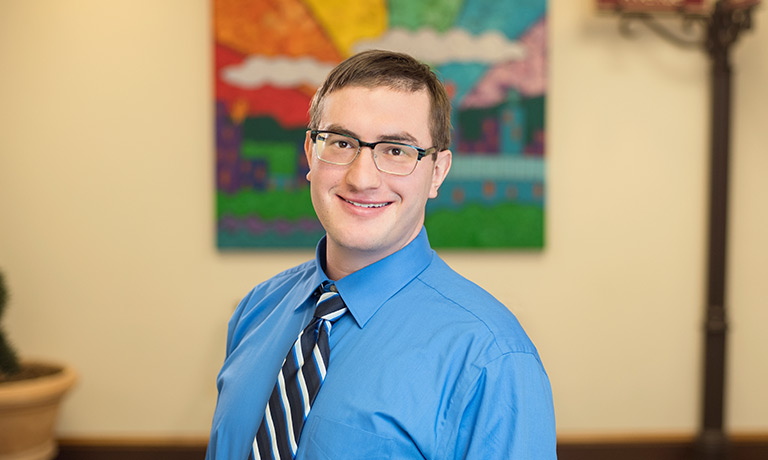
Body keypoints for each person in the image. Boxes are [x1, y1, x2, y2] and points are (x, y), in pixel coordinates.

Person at [206, 50, 557, 459]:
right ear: (310, 154)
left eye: (395, 151)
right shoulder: (257, 310)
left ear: (437, 172)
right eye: (340, 142)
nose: (362, 178)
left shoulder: (493, 358)